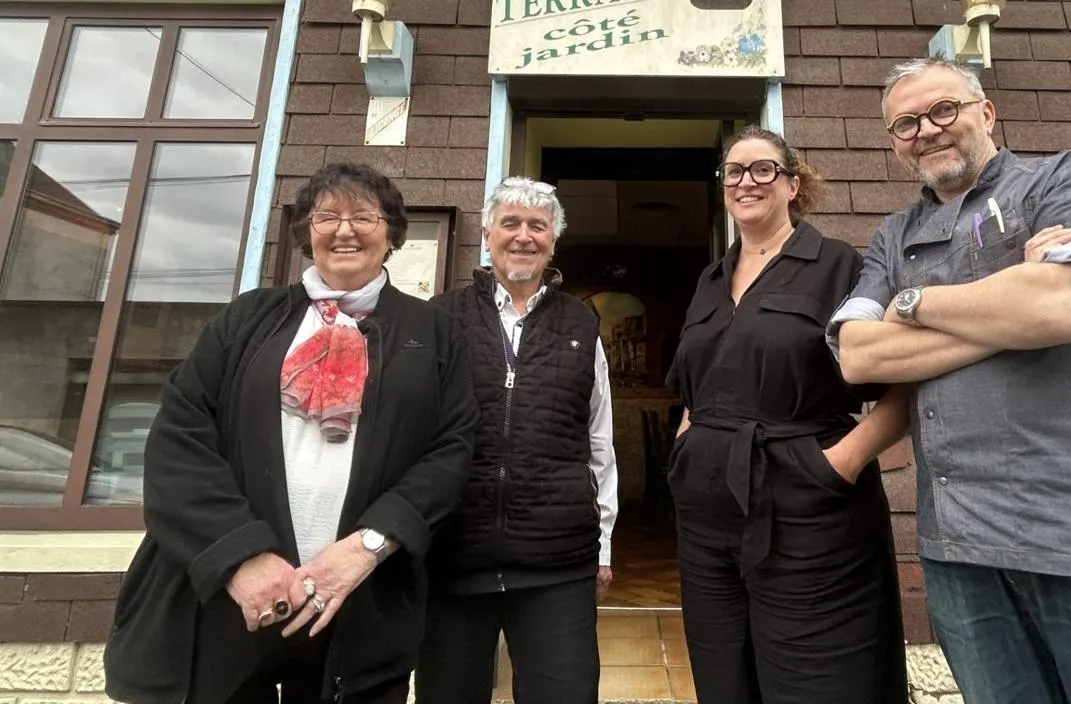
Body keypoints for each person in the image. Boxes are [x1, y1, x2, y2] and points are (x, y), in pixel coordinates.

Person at [829, 57, 1071, 704]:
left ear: (986, 112)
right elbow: (859, 355)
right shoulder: (894, 235)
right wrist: (1008, 301)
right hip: (963, 554)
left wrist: (914, 303)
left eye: (942, 110)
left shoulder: (1070, 176)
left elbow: (1064, 307)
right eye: (906, 123)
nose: (926, 130)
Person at [104, 163, 478, 704]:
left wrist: (366, 548)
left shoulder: (433, 331)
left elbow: (451, 451)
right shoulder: (246, 319)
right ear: (307, 232)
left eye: (363, 217)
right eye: (326, 217)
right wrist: (242, 558)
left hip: (361, 606)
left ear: (392, 233)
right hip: (229, 607)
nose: (344, 230)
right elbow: (179, 440)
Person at [664, 126, 909, 704]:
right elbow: (695, 389)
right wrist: (686, 446)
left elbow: (903, 387)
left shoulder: (840, 265)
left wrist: (836, 465)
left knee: (813, 680)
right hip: (706, 516)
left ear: (793, 184)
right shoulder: (711, 277)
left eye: (763, 169)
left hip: (807, 506)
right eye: (733, 171)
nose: (746, 181)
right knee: (723, 677)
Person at [417, 176, 619, 704]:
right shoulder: (441, 318)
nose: (523, 236)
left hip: (557, 561)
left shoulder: (581, 324)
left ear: (553, 241)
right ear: (487, 235)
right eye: (510, 223)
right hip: (455, 556)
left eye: (538, 225)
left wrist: (606, 541)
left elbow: (599, 441)